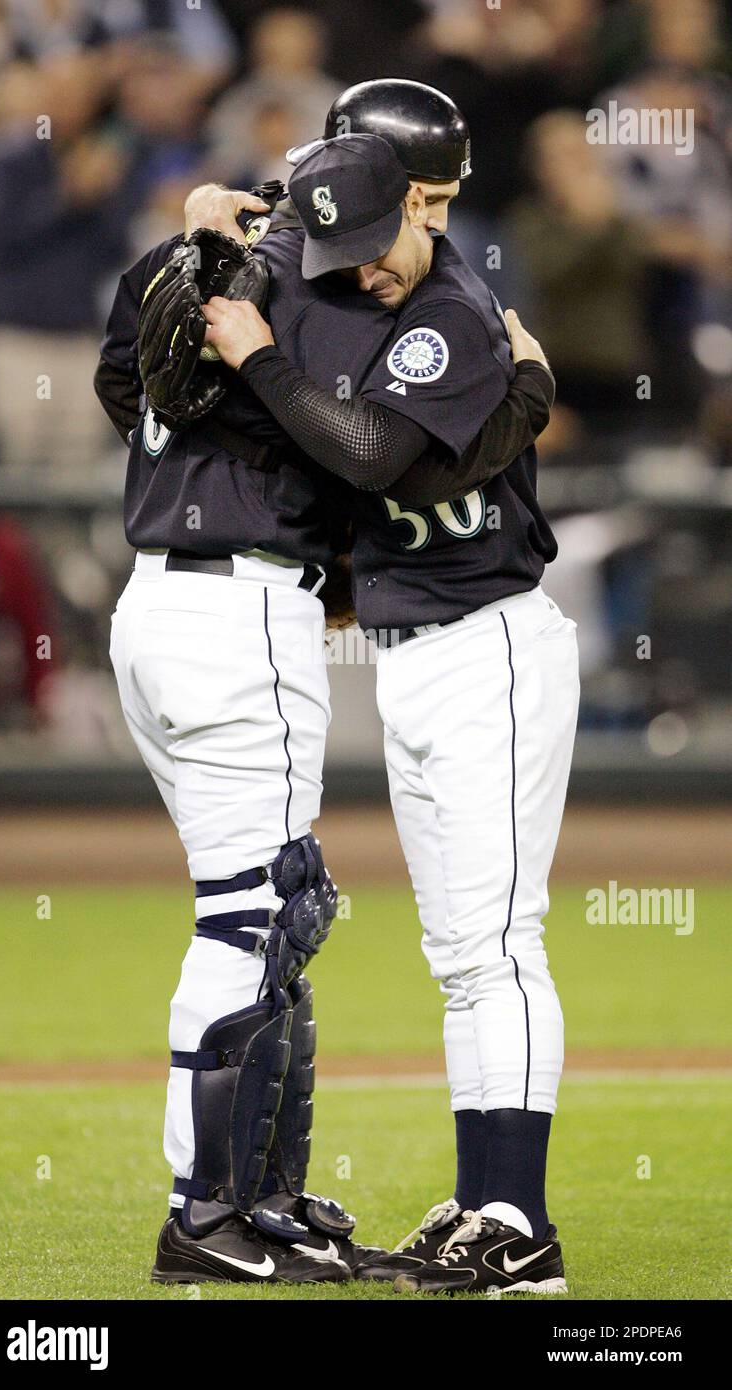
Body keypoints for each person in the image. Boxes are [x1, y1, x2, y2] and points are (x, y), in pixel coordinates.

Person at [97, 79, 560, 1292]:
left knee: (282, 913)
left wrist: (202, 259)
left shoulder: (224, 256)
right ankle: (217, 1209)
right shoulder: (320, 281)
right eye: (411, 202)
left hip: (184, 605)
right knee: (260, 916)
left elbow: (126, 391)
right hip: (241, 612)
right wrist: (522, 400)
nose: (386, 254)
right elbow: (366, 459)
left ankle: (275, 1199)